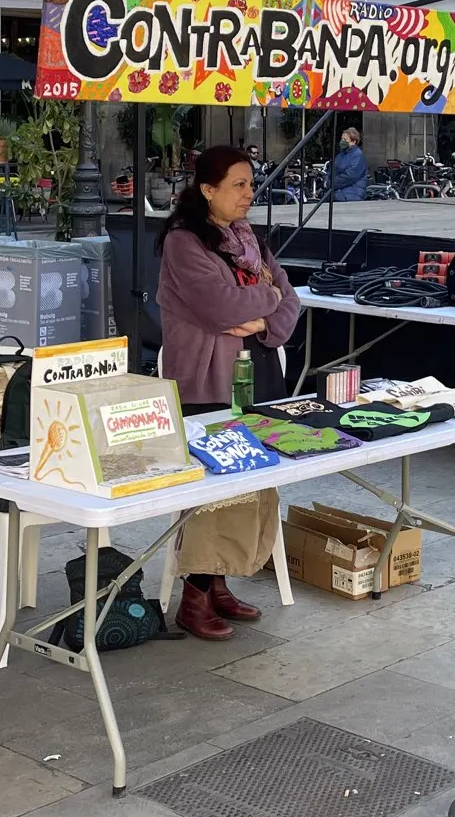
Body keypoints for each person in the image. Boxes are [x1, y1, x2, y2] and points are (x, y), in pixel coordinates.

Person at [156, 145, 301, 640]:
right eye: (238, 184)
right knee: (216, 487)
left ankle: (217, 582)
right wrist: (267, 298)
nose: (249, 193)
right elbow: (219, 306)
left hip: (257, 371)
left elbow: (291, 301)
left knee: (253, 480)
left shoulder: (248, 240)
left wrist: (261, 320)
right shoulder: (183, 243)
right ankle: (193, 598)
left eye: (250, 182)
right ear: (208, 190)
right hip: (206, 380)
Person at [328, 128, 367, 201]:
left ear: (353, 142)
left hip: (351, 195)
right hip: (338, 192)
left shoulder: (358, 156)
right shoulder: (340, 155)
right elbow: (332, 170)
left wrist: (330, 183)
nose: (342, 141)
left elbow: (349, 176)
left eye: (345, 139)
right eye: (342, 139)